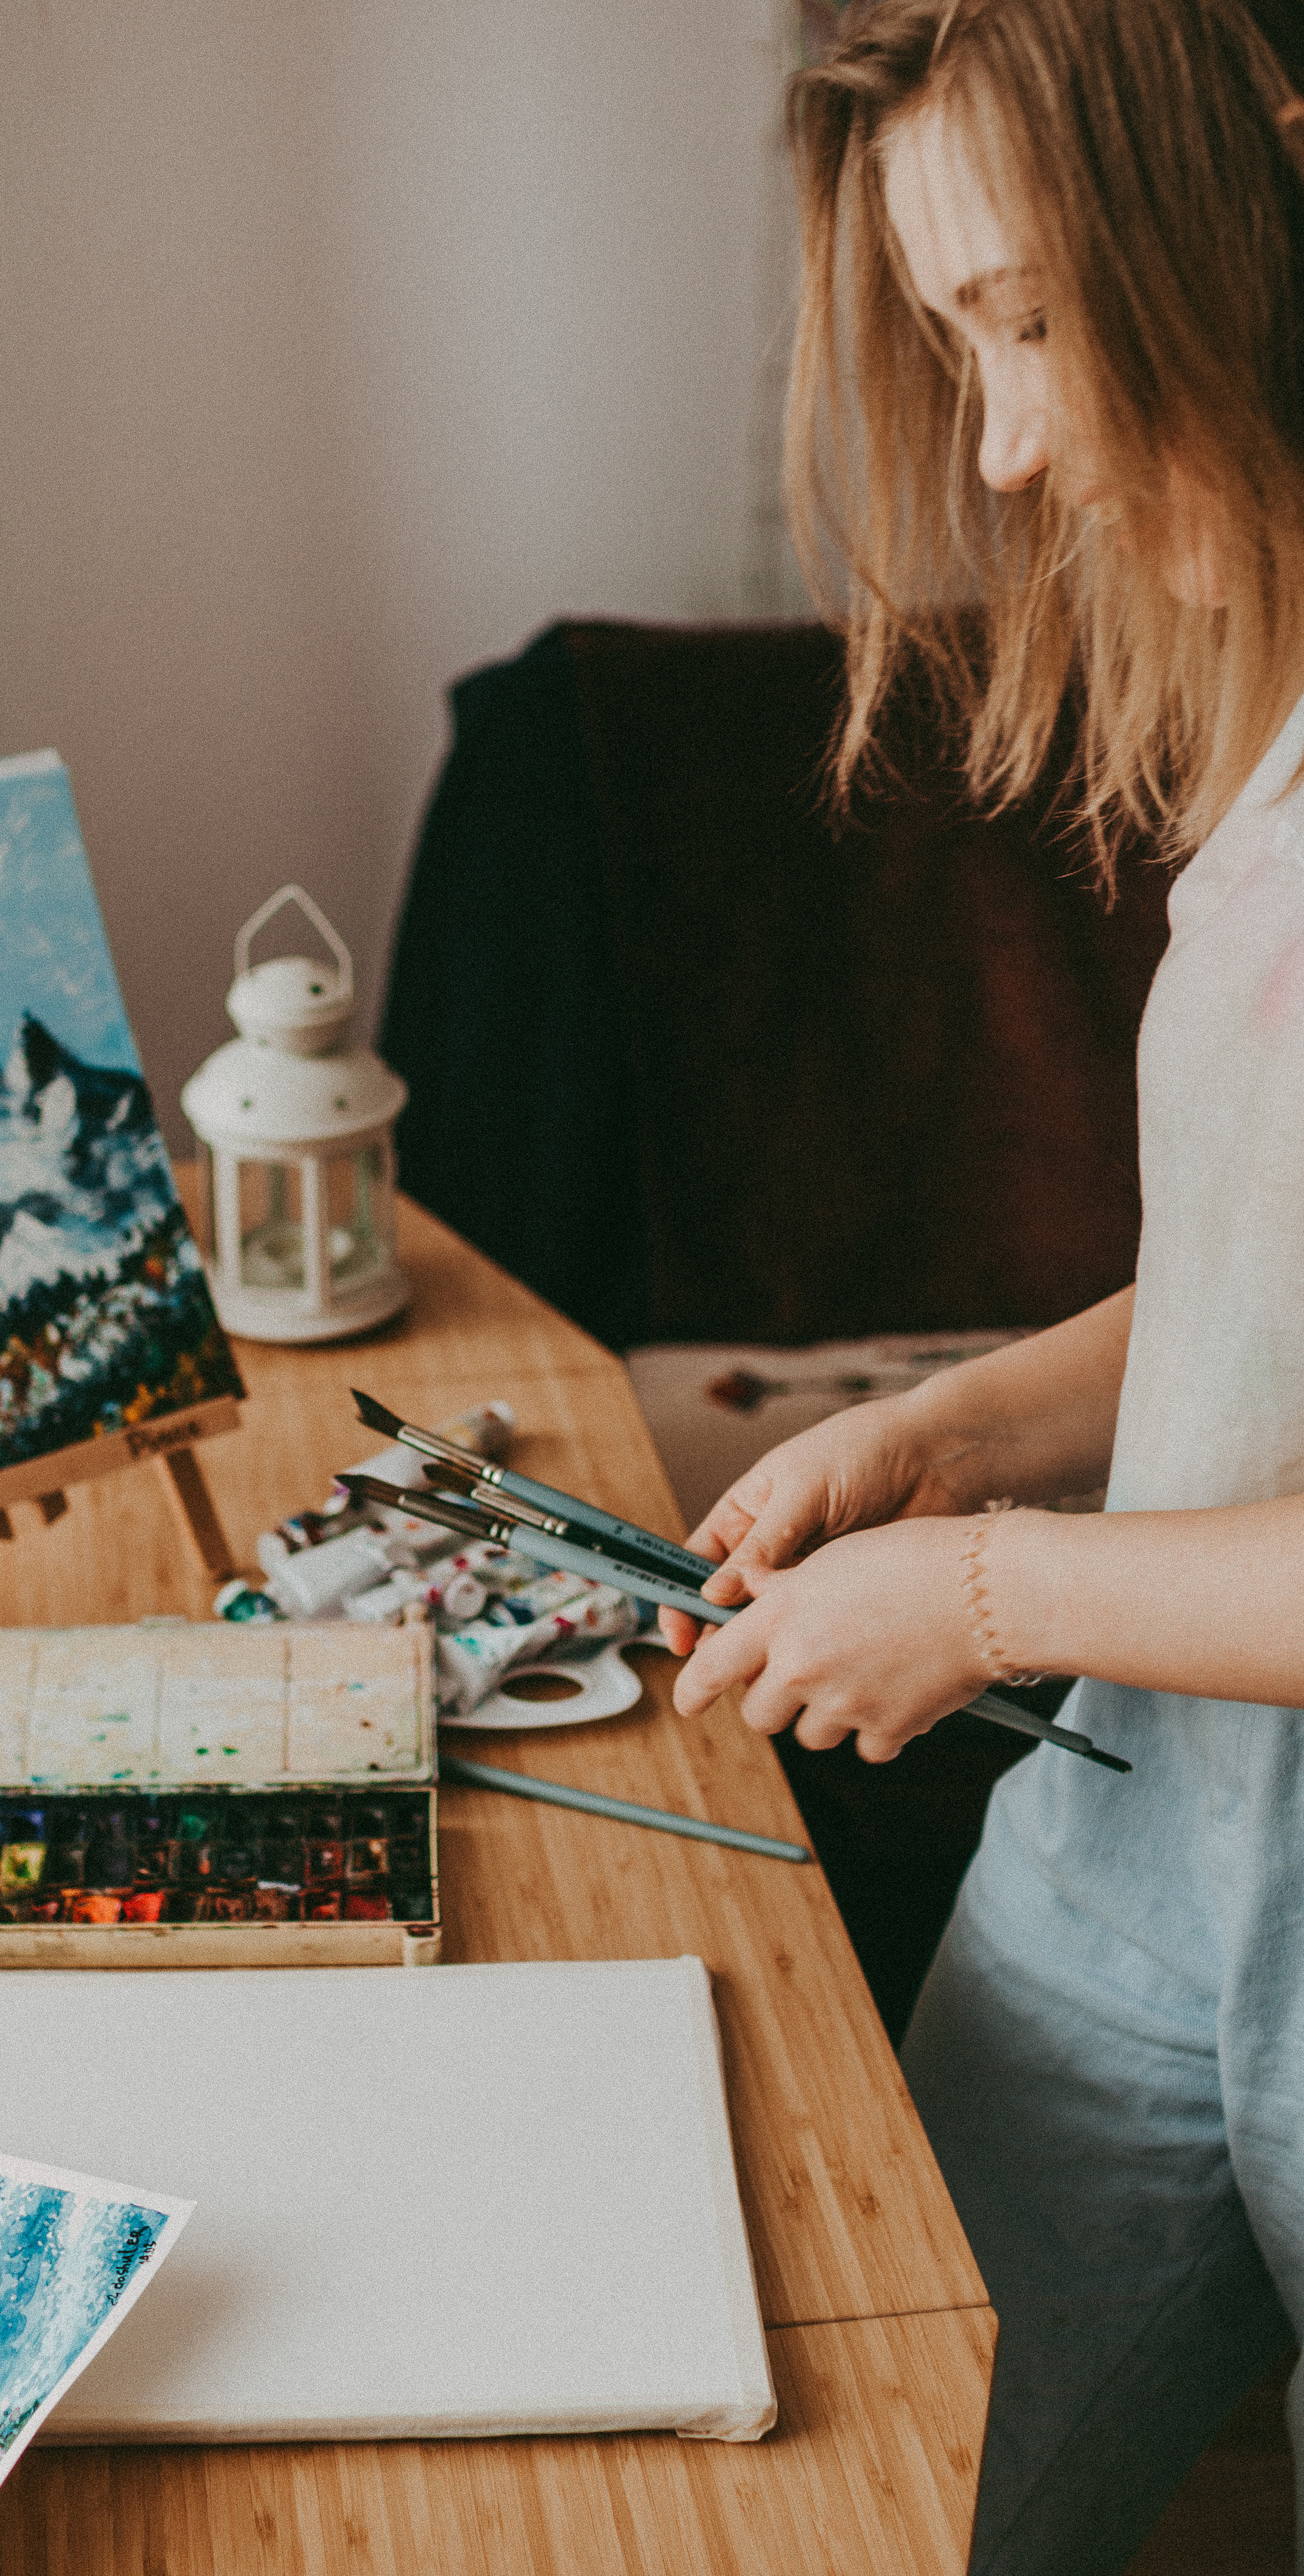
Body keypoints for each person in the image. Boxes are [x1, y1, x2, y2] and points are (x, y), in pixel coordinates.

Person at [656, 3, 1304, 2569]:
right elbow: (1263, 1295)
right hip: (1143, 1888)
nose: (1008, 446)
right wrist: (966, 1434)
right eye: (961, 344)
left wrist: (992, 1593)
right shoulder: (1273, 694)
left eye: (1035, 320)